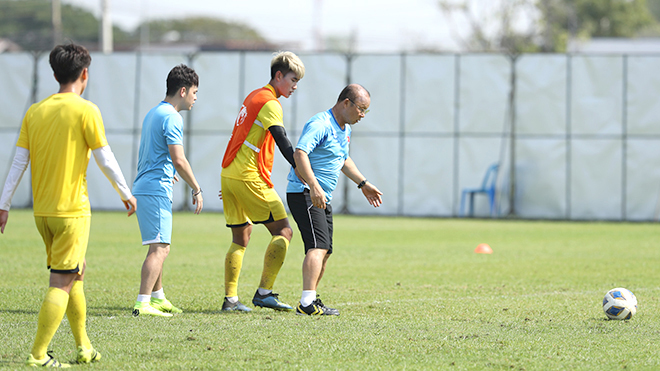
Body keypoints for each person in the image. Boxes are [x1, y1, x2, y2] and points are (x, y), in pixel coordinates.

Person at [0, 43, 137, 367]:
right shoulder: (86, 110)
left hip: (42, 214)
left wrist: (4, 204)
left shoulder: (35, 111)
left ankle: (83, 346)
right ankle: (37, 355)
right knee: (62, 280)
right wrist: (125, 192)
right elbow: (105, 157)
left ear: (54, 73)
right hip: (72, 212)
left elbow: (19, 161)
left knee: (77, 272)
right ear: (84, 74)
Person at [287, 84, 383, 316]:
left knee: (325, 250)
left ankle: (311, 299)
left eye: (366, 111)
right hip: (305, 192)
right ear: (346, 103)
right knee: (317, 247)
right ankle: (306, 304)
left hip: (320, 195)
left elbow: (343, 158)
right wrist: (313, 186)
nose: (362, 115)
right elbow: (300, 153)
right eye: (361, 109)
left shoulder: (344, 128)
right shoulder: (320, 124)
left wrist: (363, 183)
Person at [219, 51, 305, 312]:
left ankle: (230, 300)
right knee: (284, 231)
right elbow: (283, 143)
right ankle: (264, 293)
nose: (294, 86)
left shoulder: (253, 96)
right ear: (278, 76)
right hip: (248, 176)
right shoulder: (270, 102)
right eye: (292, 79)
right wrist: (304, 171)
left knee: (241, 236)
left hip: (229, 173)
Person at [131, 64, 203, 317]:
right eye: (194, 92)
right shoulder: (173, 117)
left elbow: (157, 154)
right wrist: (196, 188)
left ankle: (157, 297)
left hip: (147, 187)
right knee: (160, 248)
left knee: (158, 245)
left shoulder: (154, 112)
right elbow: (179, 159)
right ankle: (143, 302)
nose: (196, 98)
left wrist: (167, 171)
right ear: (183, 91)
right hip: (154, 190)